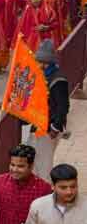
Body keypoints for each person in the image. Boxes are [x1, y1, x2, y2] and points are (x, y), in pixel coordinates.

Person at [30, 41, 69, 181]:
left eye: (42, 62)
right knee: (36, 159)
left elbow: (63, 107)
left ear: (48, 63)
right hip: (39, 123)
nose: (39, 65)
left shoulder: (58, 80)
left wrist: (55, 127)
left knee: (44, 163)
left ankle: (45, 191)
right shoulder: (43, 75)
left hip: (49, 127)